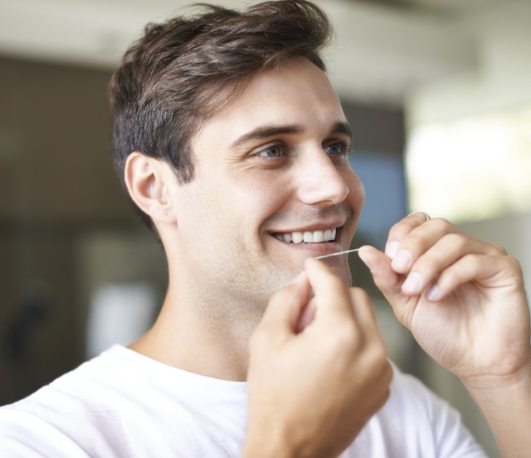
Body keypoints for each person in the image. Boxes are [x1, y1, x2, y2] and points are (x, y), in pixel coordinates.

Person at [1, 1, 530, 456]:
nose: (335, 187)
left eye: (336, 148)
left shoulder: (402, 406)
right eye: (271, 150)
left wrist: (503, 376)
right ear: (154, 187)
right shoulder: (44, 441)